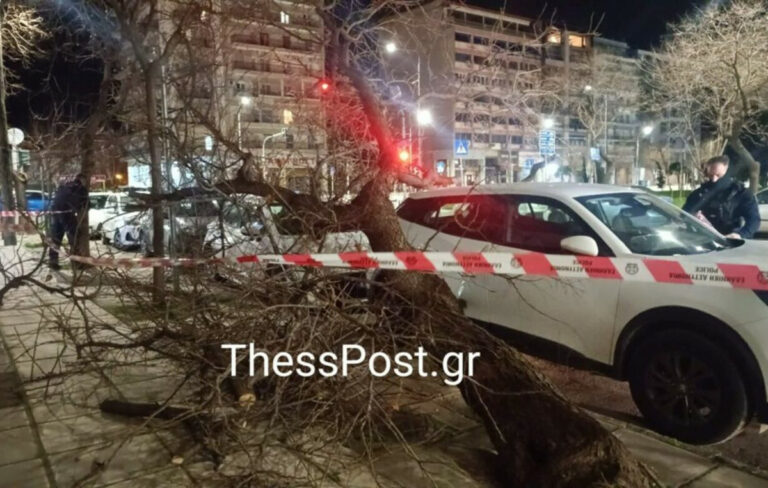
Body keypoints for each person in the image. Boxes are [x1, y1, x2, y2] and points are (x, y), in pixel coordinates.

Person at [682, 155, 760, 239]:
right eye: (711, 176)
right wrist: (693, 217)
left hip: (731, 239)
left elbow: (754, 220)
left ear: (727, 171)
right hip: (703, 239)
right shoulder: (699, 194)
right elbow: (683, 214)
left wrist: (740, 234)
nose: (714, 180)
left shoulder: (741, 194)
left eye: (718, 175)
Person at [49, 174, 88, 269]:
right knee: (74, 238)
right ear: (82, 180)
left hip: (55, 213)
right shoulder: (80, 188)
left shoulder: (64, 186)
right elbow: (86, 204)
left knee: (56, 238)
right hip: (67, 214)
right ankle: (76, 263)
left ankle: (52, 262)